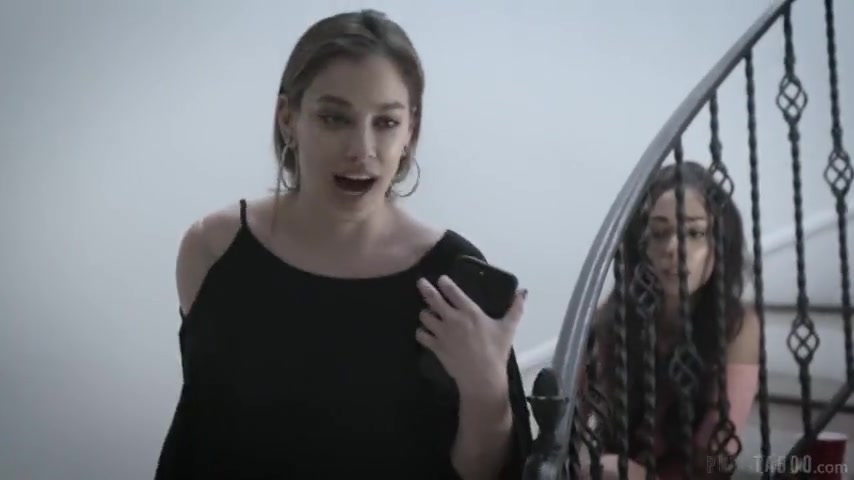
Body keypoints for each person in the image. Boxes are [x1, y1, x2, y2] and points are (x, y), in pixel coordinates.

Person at [153, 9, 532, 480]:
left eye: (386, 122)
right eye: (334, 118)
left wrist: (486, 390)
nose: (361, 149)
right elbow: (204, 435)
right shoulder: (212, 250)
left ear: (411, 130)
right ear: (288, 119)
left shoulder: (450, 276)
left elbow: (488, 474)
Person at [580, 161, 760, 479]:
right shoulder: (614, 318)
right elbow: (567, 421)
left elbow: (717, 462)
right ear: (642, 246)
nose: (674, 249)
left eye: (694, 232)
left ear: (721, 242)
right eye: (659, 233)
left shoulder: (737, 326)